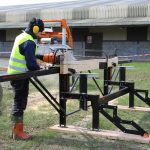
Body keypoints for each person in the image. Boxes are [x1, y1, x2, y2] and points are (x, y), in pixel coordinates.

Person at [7, 17, 44, 140]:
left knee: (19, 102)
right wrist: (40, 68)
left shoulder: (21, 37)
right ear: (35, 29)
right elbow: (31, 64)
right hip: (20, 75)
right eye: (40, 32)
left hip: (16, 74)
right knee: (19, 103)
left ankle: (17, 131)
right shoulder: (29, 41)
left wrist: (39, 58)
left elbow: (27, 55)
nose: (40, 35)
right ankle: (18, 132)